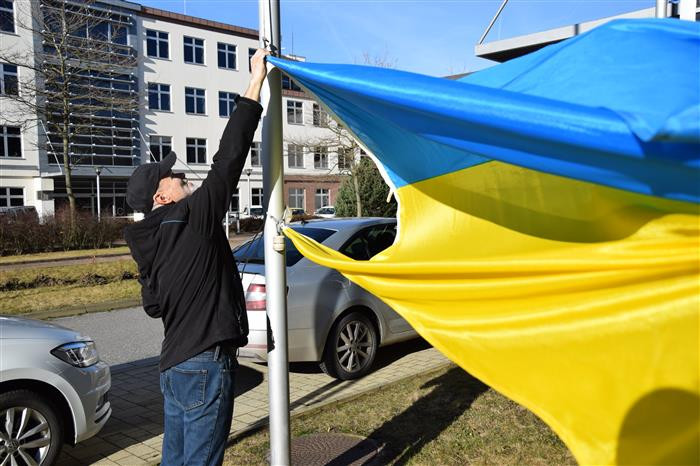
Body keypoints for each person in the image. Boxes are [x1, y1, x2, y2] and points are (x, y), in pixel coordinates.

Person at [124, 49, 270, 465]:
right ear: (161, 196)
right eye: (172, 175)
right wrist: (255, 81)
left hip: (173, 368)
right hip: (204, 363)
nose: (180, 174)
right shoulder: (190, 215)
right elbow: (229, 159)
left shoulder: (148, 242)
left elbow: (154, 306)